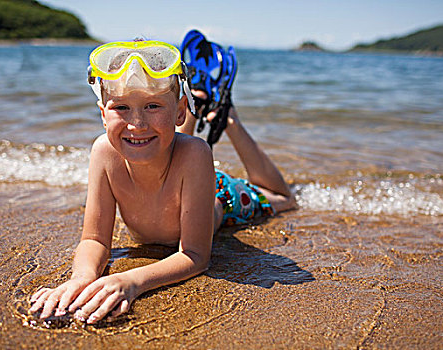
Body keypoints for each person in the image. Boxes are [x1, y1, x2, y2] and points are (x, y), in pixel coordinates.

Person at [29, 39, 295, 324]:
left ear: (180, 111)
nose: (137, 124)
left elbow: (195, 254)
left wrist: (132, 280)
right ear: (103, 114)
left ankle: (227, 114)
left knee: (282, 199)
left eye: (152, 105)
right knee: (162, 136)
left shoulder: (195, 154)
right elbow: (94, 239)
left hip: (222, 197)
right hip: (178, 162)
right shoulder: (104, 152)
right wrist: (80, 279)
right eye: (121, 107)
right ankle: (198, 96)